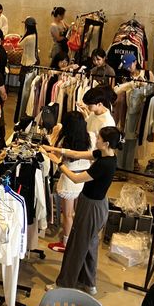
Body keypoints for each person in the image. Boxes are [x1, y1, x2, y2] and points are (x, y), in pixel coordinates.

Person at [43, 126, 122, 294]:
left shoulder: (104, 164)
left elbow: (76, 178)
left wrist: (57, 162)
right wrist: (53, 149)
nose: (96, 140)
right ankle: (88, 282)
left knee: (76, 246)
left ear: (106, 143)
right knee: (89, 244)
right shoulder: (106, 155)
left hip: (92, 207)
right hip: (94, 204)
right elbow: (77, 154)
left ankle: (64, 284)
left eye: (99, 138)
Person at [47, 112, 91, 253]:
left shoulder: (64, 140)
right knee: (76, 213)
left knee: (67, 214)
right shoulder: (88, 137)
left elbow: (56, 156)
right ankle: (75, 239)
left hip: (69, 178)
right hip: (84, 177)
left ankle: (66, 243)